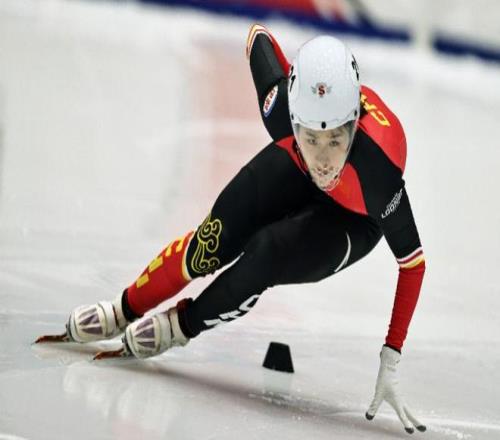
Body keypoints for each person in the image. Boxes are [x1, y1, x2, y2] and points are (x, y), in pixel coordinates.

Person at [56, 25, 427, 433]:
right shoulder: (280, 106)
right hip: (295, 168)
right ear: (294, 119)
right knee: (211, 242)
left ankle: (180, 326)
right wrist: (293, 78)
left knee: (267, 252)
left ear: (355, 126)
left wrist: (391, 355)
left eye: (336, 140)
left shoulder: (378, 172)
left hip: (354, 219)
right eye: (311, 138)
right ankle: (122, 309)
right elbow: (258, 37)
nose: (323, 160)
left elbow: (413, 265)